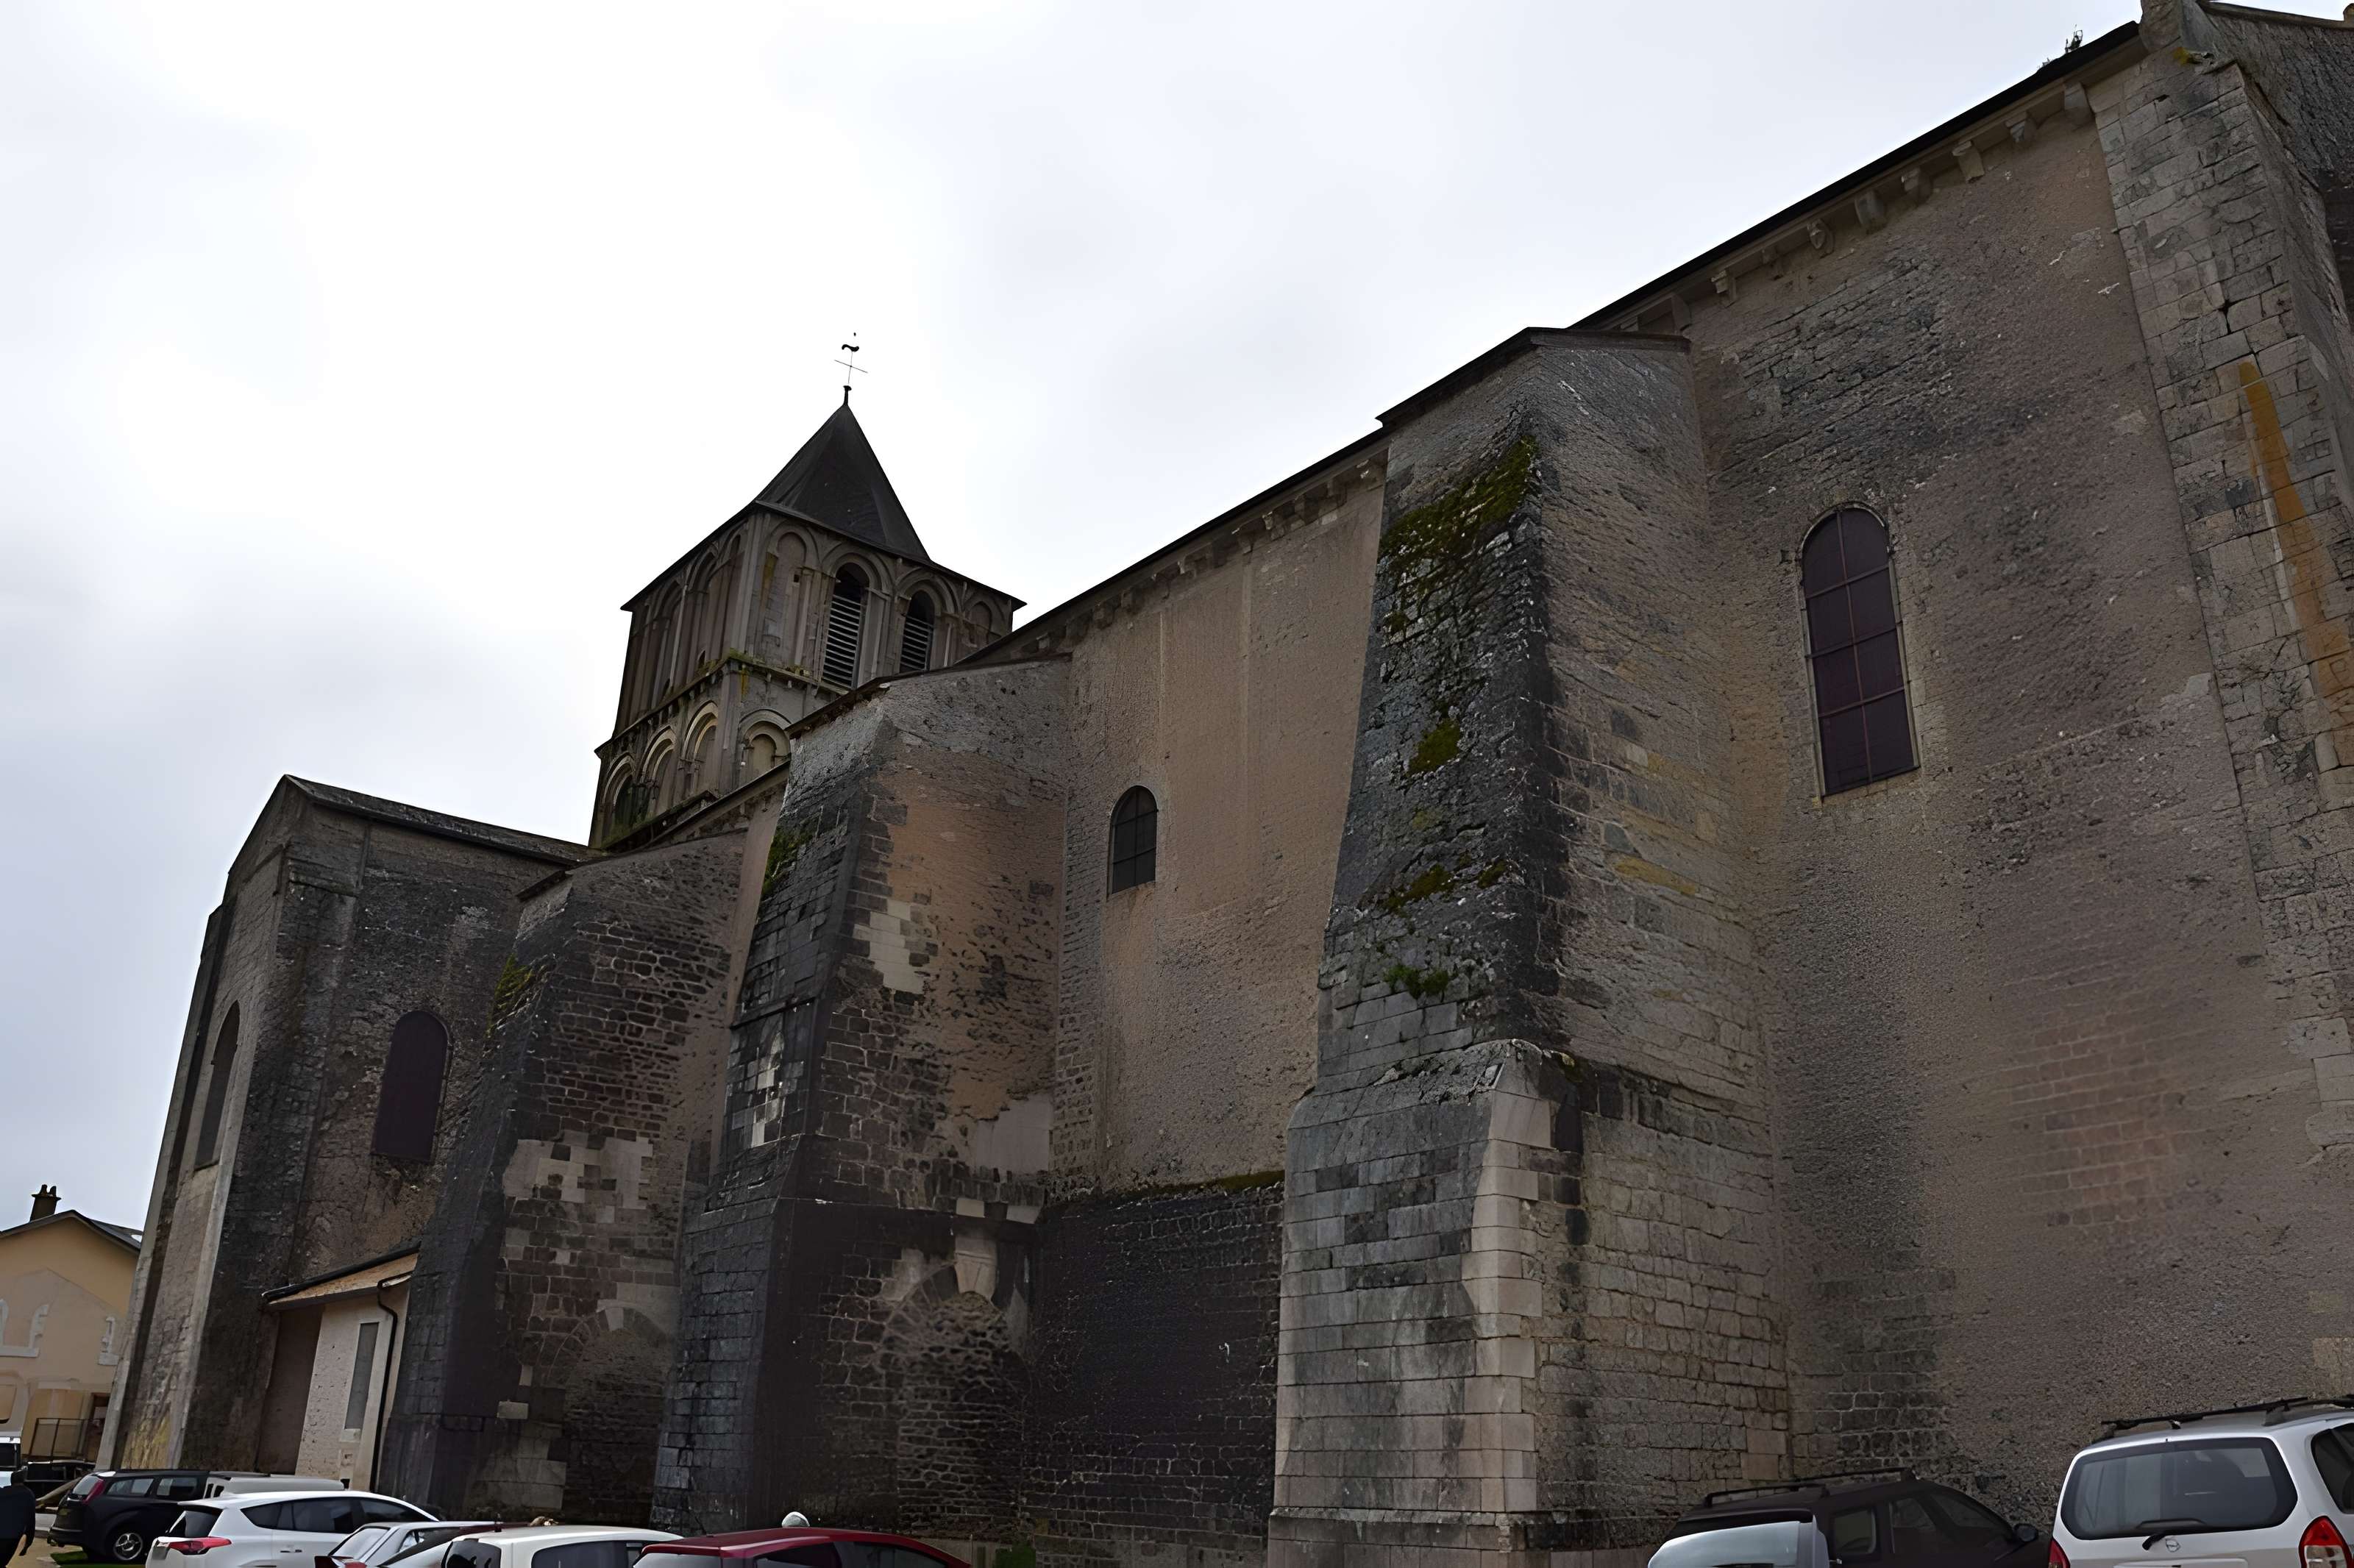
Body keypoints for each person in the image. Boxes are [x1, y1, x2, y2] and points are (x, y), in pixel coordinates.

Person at [0, 1477, 36, 1566]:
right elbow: (31, 1520)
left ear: (11, 1481)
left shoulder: (3, 1492)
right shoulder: (28, 1494)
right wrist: (28, 1544)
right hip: (13, 1536)